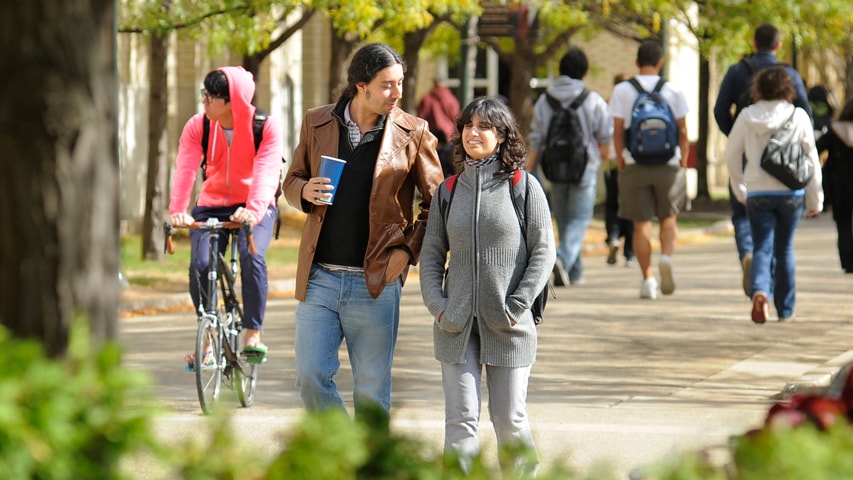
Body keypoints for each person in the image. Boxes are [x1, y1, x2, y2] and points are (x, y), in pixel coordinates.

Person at [282, 43, 444, 420]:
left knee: (372, 392)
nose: (398, 93)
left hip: (375, 284)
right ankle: (343, 452)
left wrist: (408, 252)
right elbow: (293, 178)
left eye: (400, 83)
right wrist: (303, 191)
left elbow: (438, 200)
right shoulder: (317, 121)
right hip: (319, 276)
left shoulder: (413, 132)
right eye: (387, 85)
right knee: (310, 377)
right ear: (361, 86)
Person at [419, 96, 555, 476]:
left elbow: (544, 251)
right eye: (467, 126)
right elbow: (431, 255)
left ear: (502, 136)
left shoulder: (523, 186)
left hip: (508, 324)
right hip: (455, 324)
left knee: (509, 418)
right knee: (460, 419)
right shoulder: (448, 191)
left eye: (483, 127)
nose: (472, 133)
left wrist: (517, 305)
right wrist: (438, 306)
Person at [169, 66, 283, 363]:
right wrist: (178, 211)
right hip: (212, 204)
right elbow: (185, 169)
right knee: (200, 263)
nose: (203, 102)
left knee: (252, 257)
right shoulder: (199, 126)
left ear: (232, 99)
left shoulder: (264, 126)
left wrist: (254, 210)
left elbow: (267, 172)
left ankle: (252, 333)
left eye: (210, 97)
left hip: (254, 206)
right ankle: (208, 338)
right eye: (203, 95)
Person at [714, 23, 811, 297]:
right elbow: (805, 112)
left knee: (742, 215)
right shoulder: (789, 74)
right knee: (784, 245)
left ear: (754, 43)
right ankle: (785, 304)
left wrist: (738, 136)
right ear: (778, 45)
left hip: (750, 159)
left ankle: (749, 255)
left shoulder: (737, 71)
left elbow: (720, 109)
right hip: (788, 169)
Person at [723, 66, 823, 323]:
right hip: (792, 192)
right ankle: (785, 308)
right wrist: (816, 199)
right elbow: (811, 159)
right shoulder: (798, 116)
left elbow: (731, 156)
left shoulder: (746, 116)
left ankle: (759, 292)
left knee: (762, 247)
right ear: (787, 88)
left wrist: (740, 187)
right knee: (785, 248)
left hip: (757, 191)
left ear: (759, 89)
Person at [609, 39, 689, 300]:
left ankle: (648, 280)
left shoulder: (622, 90)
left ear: (636, 62)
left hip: (635, 163)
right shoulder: (673, 90)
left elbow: (618, 131)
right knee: (669, 218)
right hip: (668, 163)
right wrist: (683, 160)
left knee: (641, 223)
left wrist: (621, 159)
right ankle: (666, 256)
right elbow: (683, 130)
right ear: (661, 62)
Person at [526, 47, 613, 286]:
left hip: (554, 168)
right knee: (580, 218)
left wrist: (527, 169)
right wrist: (605, 155)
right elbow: (605, 134)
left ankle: (574, 273)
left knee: (564, 218)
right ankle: (562, 259)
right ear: (583, 72)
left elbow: (536, 138)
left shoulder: (545, 100)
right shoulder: (592, 99)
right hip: (584, 167)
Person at [816, 98, 853, 274]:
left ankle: (847, 262)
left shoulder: (834, 131)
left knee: (843, 223)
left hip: (839, 184)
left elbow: (817, 146)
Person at [602, 73, 635, 267]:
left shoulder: (608, 105)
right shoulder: (633, 105)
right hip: (631, 163)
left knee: (612, 205)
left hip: (613, 163)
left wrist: (606, 154)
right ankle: (630, 252)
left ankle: (613, 237)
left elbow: (605, 135)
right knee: (629, 207)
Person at [418, 76, 461, 177]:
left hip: (433, 137)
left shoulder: (427, 98)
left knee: (433, 169)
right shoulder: (451, 99)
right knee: (448, 169)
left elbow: (421, 117)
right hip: (449, 137)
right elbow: (456, 117)